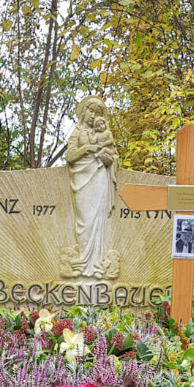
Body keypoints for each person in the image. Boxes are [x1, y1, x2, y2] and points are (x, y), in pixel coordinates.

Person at [65, 97, 118, 278]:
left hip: (99, 175)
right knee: (84, 220)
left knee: (97, 219)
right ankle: (82, 260)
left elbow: (112, 156)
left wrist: (108, 160)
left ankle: (96, 264)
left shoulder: (105, 134)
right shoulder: (77, 132)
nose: (93, 116)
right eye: (91, 111)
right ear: (83, 111)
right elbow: (70, 156)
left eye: (97, 113)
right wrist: (87, 149)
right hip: (81, 176)